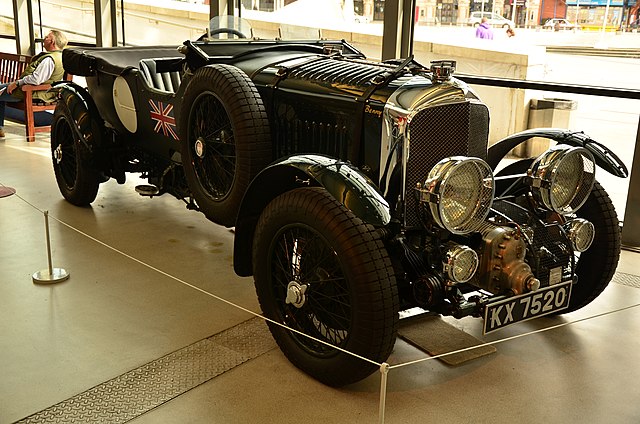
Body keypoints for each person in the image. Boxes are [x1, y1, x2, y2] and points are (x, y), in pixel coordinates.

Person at [0, 30, 68, 138]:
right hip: (41, 91)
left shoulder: (49, 59)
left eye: (46, 37)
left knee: (1, 91)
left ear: (52, 42)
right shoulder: (61, 58)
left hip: (31, 92)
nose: (44, 39)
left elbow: (36, 79)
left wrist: (17, 83)